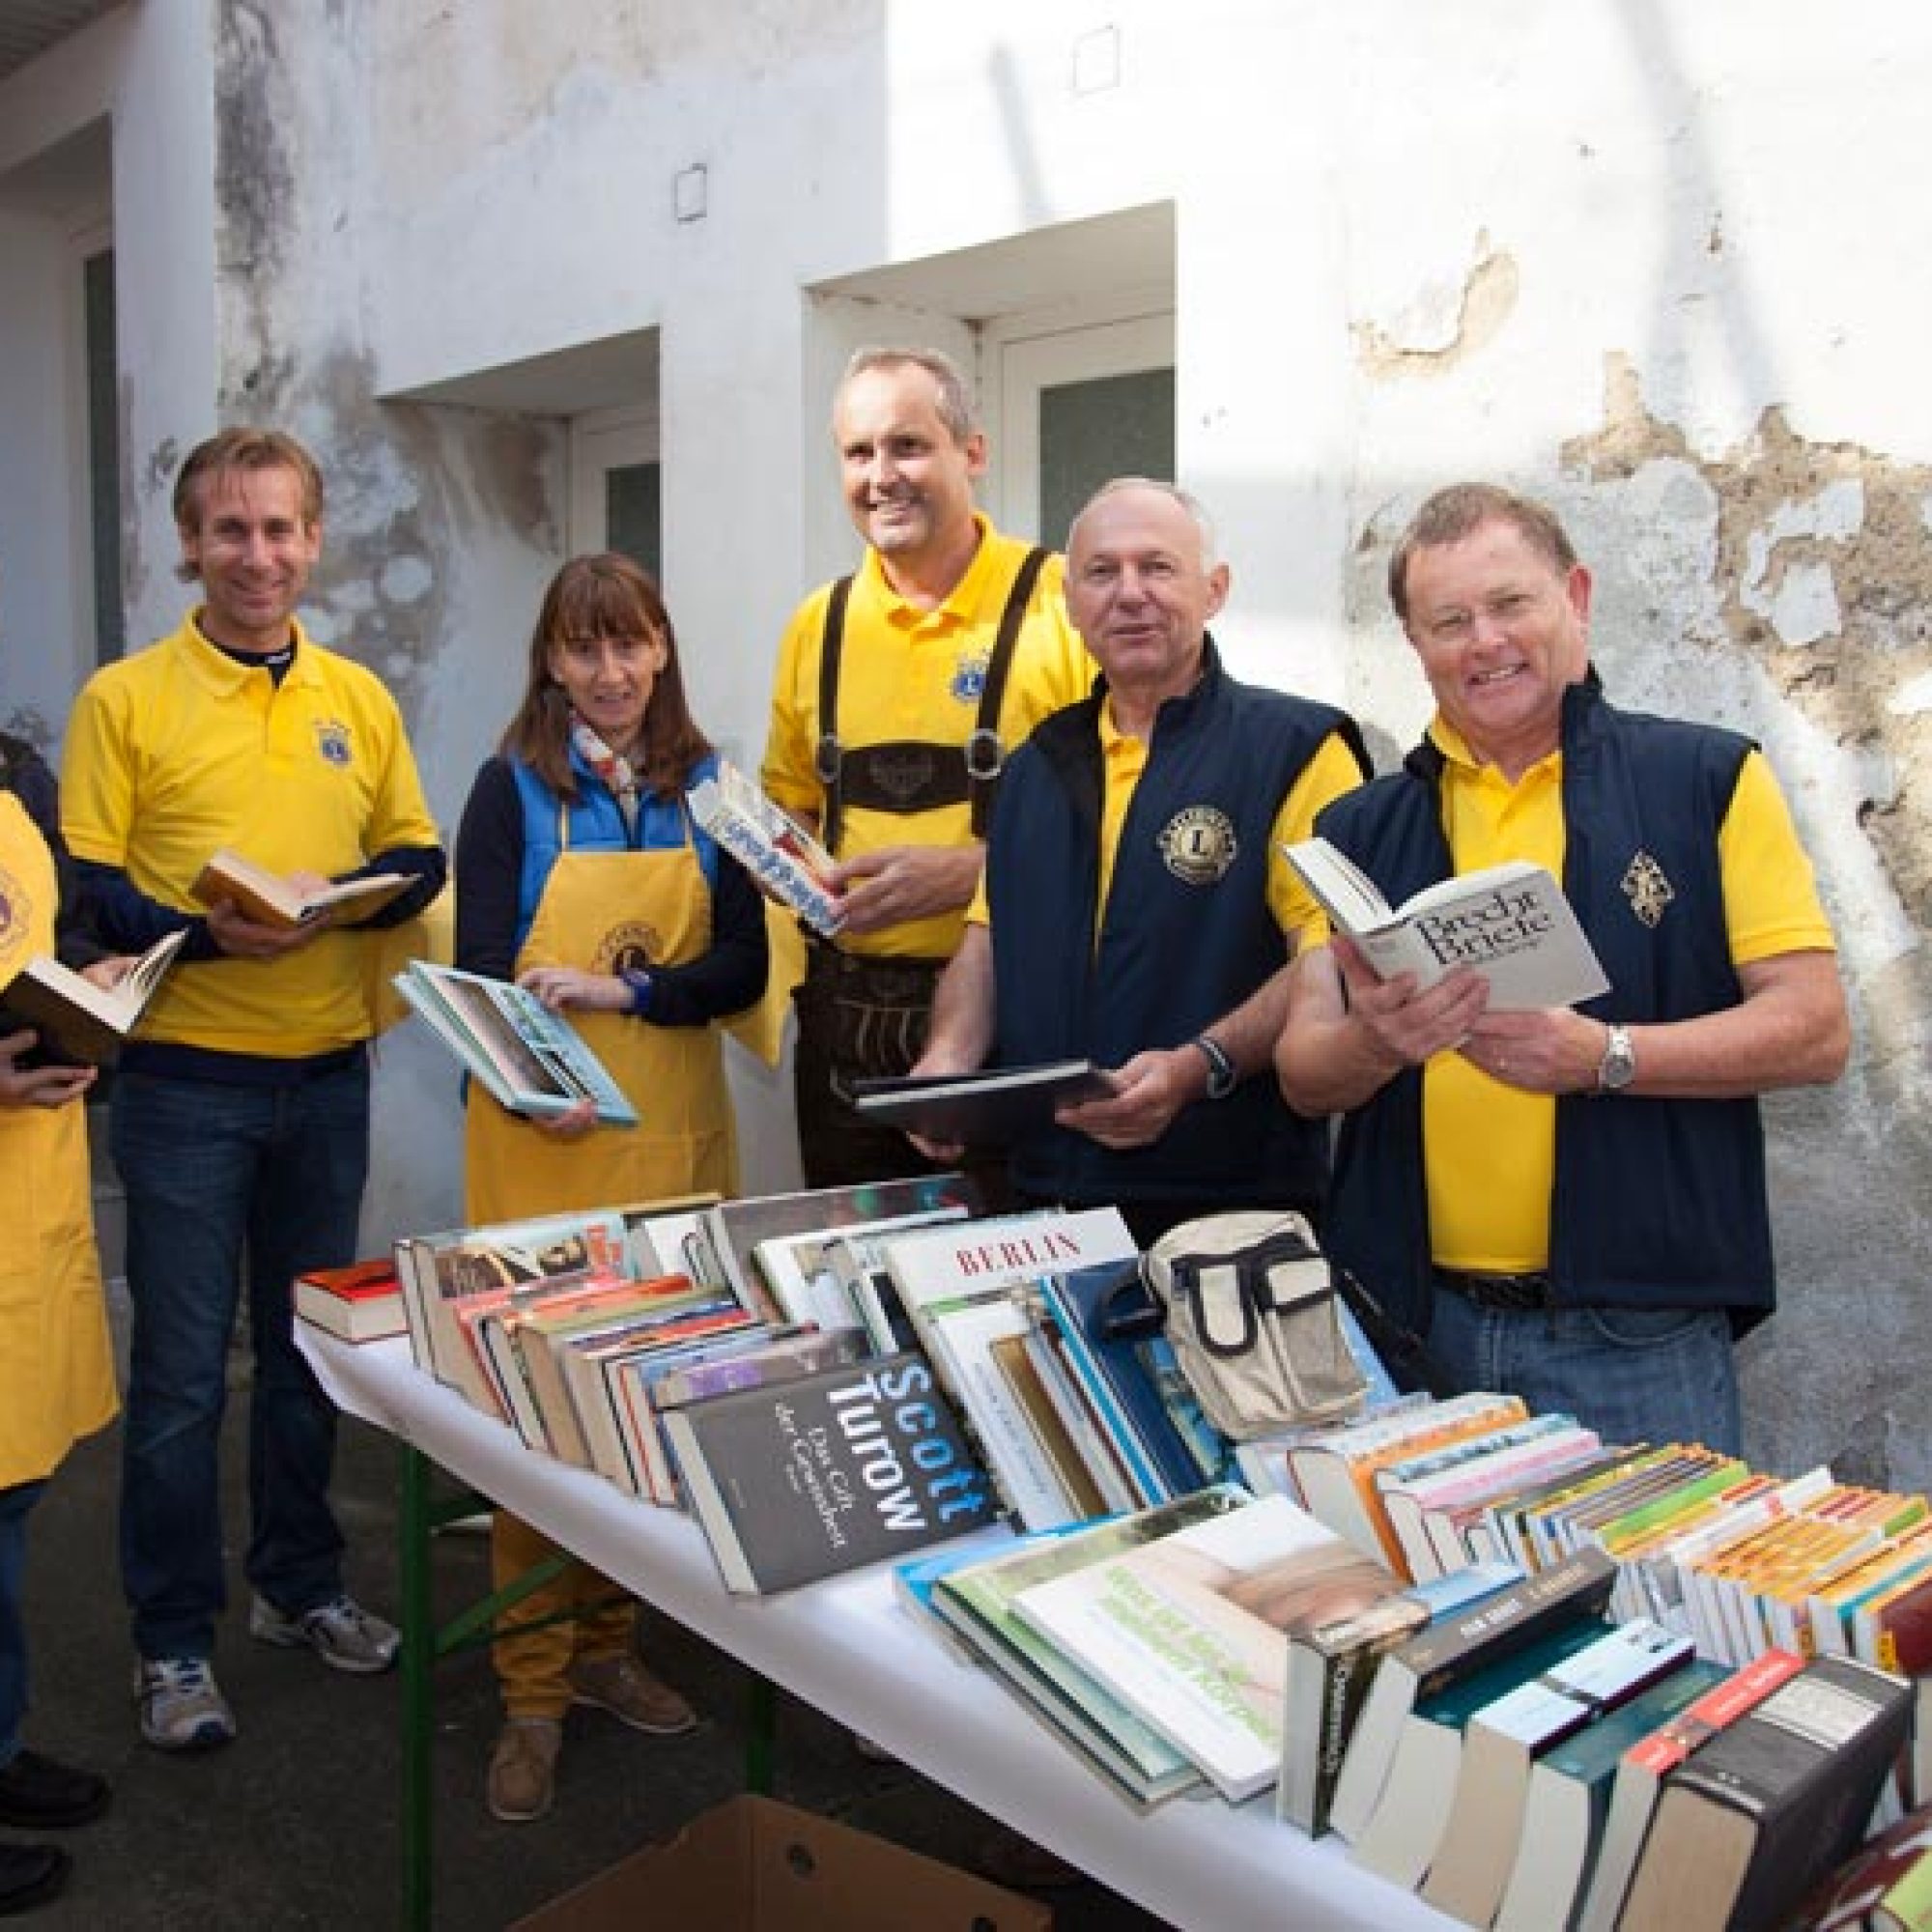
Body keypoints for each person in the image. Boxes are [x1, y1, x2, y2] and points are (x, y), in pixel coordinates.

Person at [1276, 482, 1849, 1453]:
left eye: (1510, 603)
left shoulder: (1703, 780)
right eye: (1448, 620)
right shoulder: (1355, 830)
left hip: (1633, 1335)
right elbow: (1300, 1072)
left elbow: (1814, 1028)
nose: (1483, 641)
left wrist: (1604, 1055)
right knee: (1434, 1610)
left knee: (1655, 1604)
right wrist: (1375, 1042)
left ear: (1573, 596)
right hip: (1407, 1330)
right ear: (1414, 644)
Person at [59, 428, 447, 1751]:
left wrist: (345, 910)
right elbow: (85, 886)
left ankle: (299, 1588)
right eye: (230, 531)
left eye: (280, 530)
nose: (258, 556)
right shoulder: (124, 700)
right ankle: (172, 1645)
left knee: (301, 1363)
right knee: (178, 1382)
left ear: (314, 541)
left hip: (327, 1080)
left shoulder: (357, 698)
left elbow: (416, 851)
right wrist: (200, 924)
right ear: (190, 544)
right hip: (183, 1088)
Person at [453, 553, 768, 1824]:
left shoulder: (713, 789)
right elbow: (478, 979)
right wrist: (539, 1079)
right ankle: (529, 1691)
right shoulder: (506, 792)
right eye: (585, 649)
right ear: (549, 662)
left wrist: (631, 992)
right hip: (545, 1148)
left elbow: (743, 965)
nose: (611, 673)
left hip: (673, 1147)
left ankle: (606, 1647)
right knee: (539, 1423)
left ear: (663, 650)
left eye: (631, 643)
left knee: (644, 1408)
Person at [910, 478, 1370, 1248]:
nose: (1130, 595)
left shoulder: (1298, 749)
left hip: (1230, 1205)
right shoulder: (1032, 767)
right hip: (1043, 1199)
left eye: (1157, 567)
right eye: (1102, 572)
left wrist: (1197, 1066)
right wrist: (946, 1061)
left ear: (1214, 590)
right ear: (1068, 599)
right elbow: (987, 940)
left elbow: (1331, 958)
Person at [761, 345, 1094, 1188]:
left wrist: (965, 877)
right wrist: (788, 866)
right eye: (858, 453)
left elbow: (1128, 824)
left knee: (1009, 1297)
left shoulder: (1066, 605)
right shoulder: (819, 625)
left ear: (971, 452)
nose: (882, 476)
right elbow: (791, 805)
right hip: (843, 1029)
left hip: (1014, 1027)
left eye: (907, 445)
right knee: (846, 1284)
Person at [0, 732, 120, 1914]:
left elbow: (61, 931)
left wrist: (98, 998)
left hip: (26, 1203)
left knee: (10, 1503)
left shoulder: (14, 775)